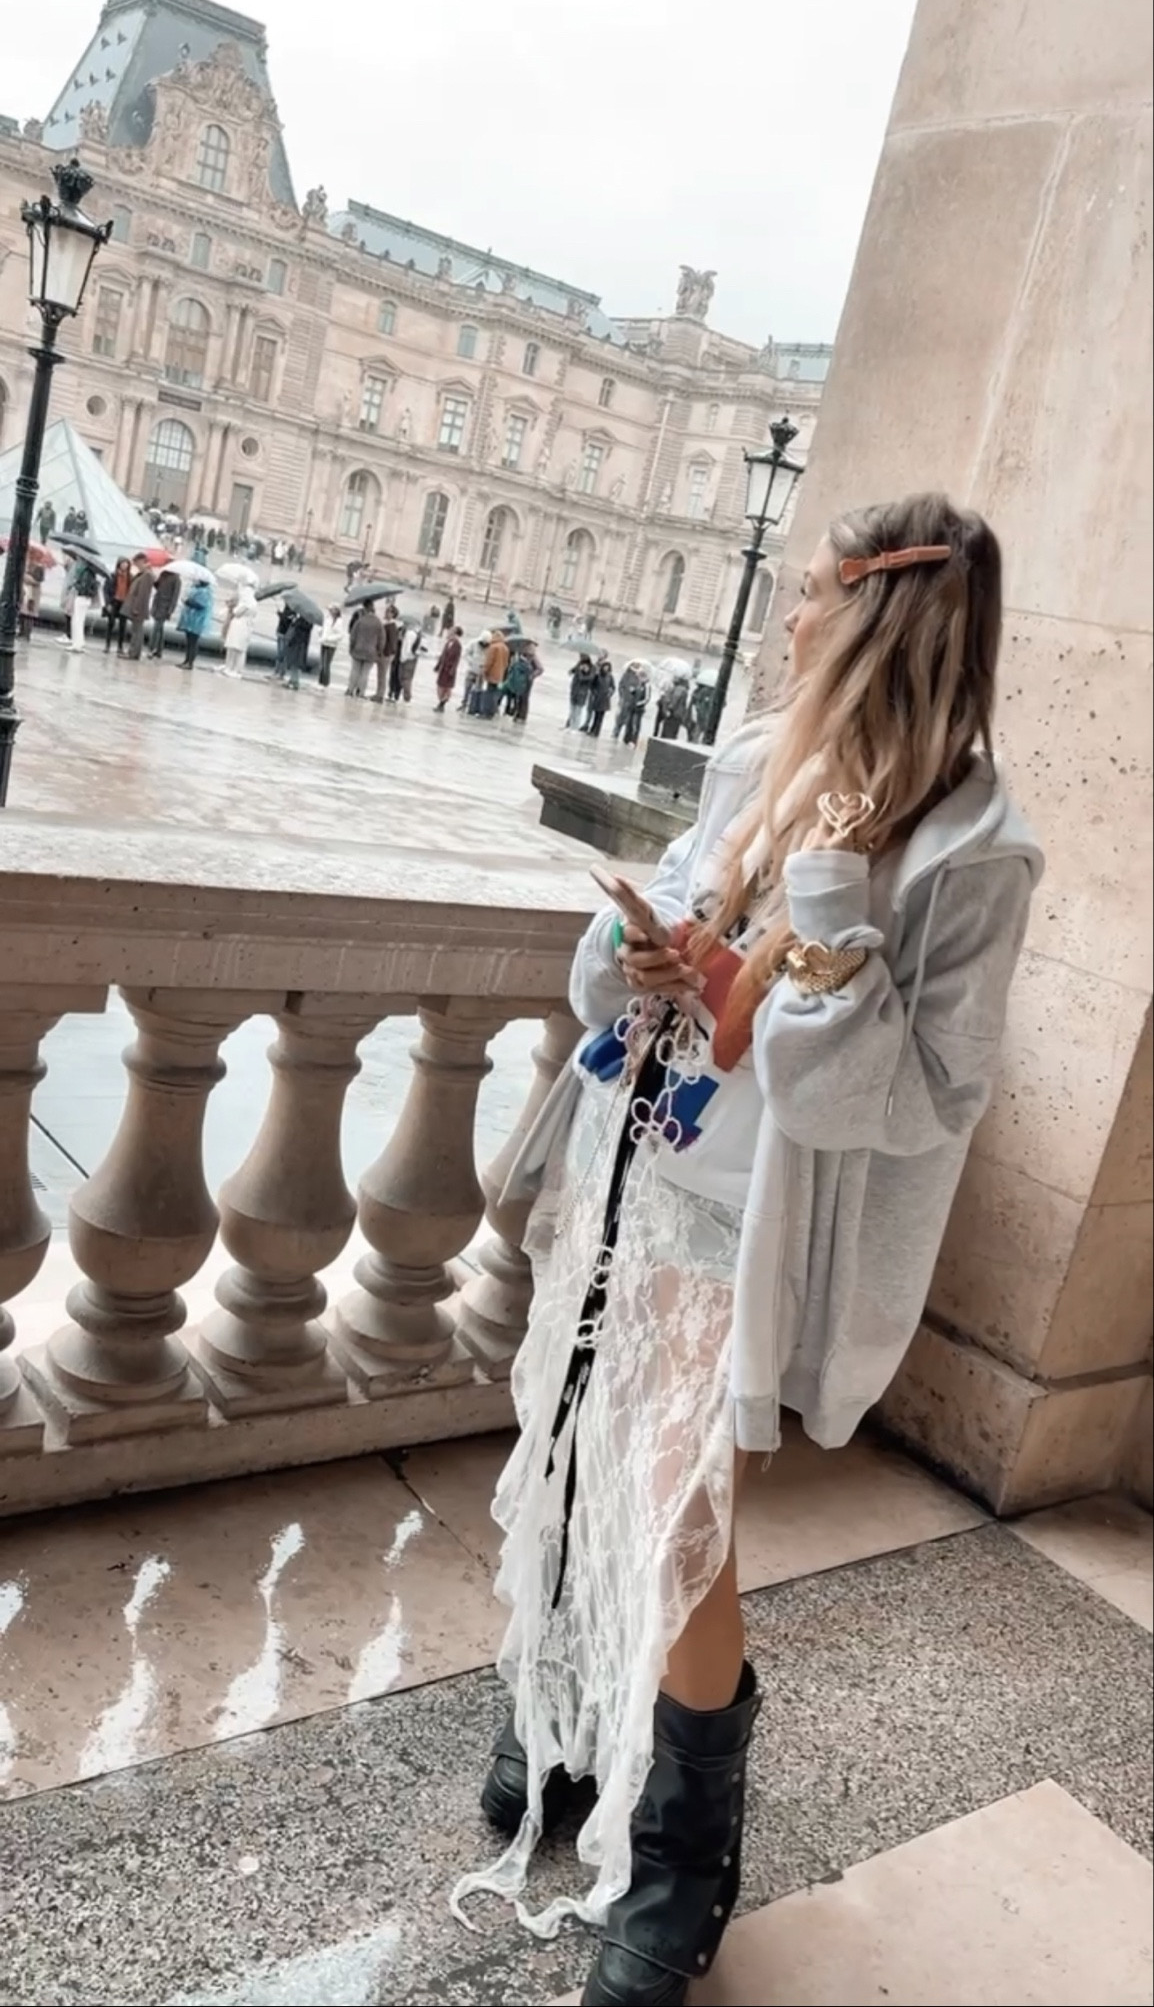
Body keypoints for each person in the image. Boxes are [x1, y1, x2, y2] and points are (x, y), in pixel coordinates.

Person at [454, 493, 1044, 2003]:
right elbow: (629, 988)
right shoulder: (741, 761)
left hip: (751, 1224)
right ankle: (569, 1715)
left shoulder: (974, 850)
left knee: (680, 1521)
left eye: (803, 595)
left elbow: (918, 1103)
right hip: (637, 1158)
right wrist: (636, 950)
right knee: (583, 1448)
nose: (784, 620)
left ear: (868, 613)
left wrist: (836, 920)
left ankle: (683, 1844)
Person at [346, 599, 382, 698]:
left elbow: (352, 634)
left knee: (355, 670)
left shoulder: (360, 621)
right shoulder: (378, 623)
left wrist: (351, 647)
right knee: (365, 673)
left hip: (358, 649)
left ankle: (350, 689)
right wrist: (379, 651)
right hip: (371, 652)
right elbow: (381, 639)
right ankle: (361, 692)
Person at [221, 584, 257, 678]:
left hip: (241, 626)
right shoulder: (250, 602)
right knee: (233, 647)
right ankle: (229, 667)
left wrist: (233, 607)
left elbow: (237, 612)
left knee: (238, 649)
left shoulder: (247, 603)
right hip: (240, 626)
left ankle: (236, 669)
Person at [64, 556, 99, 654]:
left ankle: (77, 644)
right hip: (86, 599)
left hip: (81, 597)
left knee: (76, 621)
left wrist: (76, 584)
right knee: (80, 620)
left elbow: (83, 587)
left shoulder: (85, 573)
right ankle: (80, 642)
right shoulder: (92, 573)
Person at [177, 577, 212, 669]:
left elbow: (201, 605)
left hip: (197, 621)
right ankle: (186, 660)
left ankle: (190, 662)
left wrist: (188, 602)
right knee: (189, 642)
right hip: (190, 620)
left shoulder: (205, 592)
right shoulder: (195, 588)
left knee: (193, 642)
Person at [123, 560, 155, 660]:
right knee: (135, 631)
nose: (137, 566)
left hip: (138, 608)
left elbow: (142, 594)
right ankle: (133, 652)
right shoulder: (143, 574)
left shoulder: (147, 576)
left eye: (138, 564)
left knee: (137, 631)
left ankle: (134, 653)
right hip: (137, 607)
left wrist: (137, 608)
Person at [614, 661, 651, 746]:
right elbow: (631, 691)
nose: (638, 678)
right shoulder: (639, 684)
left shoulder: (647, 685)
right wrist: (632, 691)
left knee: (635, 725)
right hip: (631, 707)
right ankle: (626, 740)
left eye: (639, 677)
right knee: (628, 724)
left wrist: (638, 704)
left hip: (639, 709)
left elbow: (647, 698)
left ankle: (633, 741)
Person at [476, 627, 510, 717]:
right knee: (495, 693)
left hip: (491, 674)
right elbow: (506, 663)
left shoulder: (493, 647)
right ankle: (492, 712)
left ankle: (485, 712)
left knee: (488, 693)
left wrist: (484, 671)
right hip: (500, 675)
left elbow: (489, 661)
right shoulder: (505, 648)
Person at [148, 565, 181, 659]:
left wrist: (170, 610)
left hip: (165, 607)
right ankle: (159, 650)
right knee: (160, 629)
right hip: (157, 604)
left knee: (156, 628)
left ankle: (151, 648)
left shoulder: (176, 579)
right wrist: (155, 580)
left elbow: (175, 596)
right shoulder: (163, 575)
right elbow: (157, 586)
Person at [103, 558, 132, 654]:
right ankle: (107, 645)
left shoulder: (130, 577)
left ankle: (120, 646)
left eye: (126, 564)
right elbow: (106, 590)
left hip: (124, 602)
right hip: (114, 601)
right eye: (123, 564)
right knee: (110, 624)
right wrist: (108, 603)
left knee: (123, 626)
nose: (124, 566)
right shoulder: (112, 576)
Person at [583, 652, 615, 737]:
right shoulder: (598, 676)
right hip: (597, 698)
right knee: (595, 715)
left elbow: (613, 687)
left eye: (607, 668)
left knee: (601, 717)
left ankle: (597, 732)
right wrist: (594, 693)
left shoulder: (610, 677)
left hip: (605, 699)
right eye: (605, 667)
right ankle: (592, 729)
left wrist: (610, 693)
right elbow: (592, 685)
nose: (606, 669)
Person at [375, 601, 401, 703]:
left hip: (386, 654)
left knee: (382, 675)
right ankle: (379, 693)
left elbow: (392, 643)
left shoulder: (392, 626)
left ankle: (380, 695)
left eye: (388, 612)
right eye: (386, 611)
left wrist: (386, 653)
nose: (386, 613)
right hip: (384, 653)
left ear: (393, 614)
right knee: (380, 674)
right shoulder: (388, 624)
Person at [434, 626, 463, 711]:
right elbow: (443, 655)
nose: (449, 632)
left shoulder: (458, 645)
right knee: (440, 686)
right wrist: (438, 665)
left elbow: (457, 659)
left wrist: (452, 670)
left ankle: (442, 704)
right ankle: (441, 702)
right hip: (443, 668)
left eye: (452, 631)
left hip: (450, 669)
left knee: (447, 687)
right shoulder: (447, 643)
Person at [655, 673, 691, 741]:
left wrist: (669, 709)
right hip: (677, 714)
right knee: (672, 733)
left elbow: (675, 699)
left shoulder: (679, 689)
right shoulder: (683, 689)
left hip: (674, 714)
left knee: (668, 732)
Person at [458, 632, 487, 713]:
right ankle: (464, 703)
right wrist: (471, 661)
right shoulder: (473, 643)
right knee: (467, 688)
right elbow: (466, 653)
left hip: (481, 673)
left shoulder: (489, 646)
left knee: (478, 690)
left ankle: (473, 705)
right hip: (471, 670)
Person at [284, 608, 312, 690]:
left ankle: (295, 681)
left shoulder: (306, 621)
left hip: (299, 644)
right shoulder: (300, 619)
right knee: (293, 663)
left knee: (296, 663)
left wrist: (296, 622)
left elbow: (303, 628)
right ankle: (292, 680)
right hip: (296, 642)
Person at [566, 652, 596, 730]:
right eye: (580, 656)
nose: (581, 658)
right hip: (574, 690)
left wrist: (582, 671)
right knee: (572, 710)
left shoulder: (592, 667)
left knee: (578, 711)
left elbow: (588, 678)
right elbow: (572, 671)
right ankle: (571, 726)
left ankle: (575, 728)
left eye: (583, 656)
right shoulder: (579, 664)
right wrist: (572, 670)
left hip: (582, 692)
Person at [317, 605, 344, 689]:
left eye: (333, 610)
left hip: (331, 645)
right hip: (324, 643)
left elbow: (340, 635)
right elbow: (324, 629)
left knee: (326, 664)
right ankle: (320, 682)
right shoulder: (327, 619)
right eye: (331, 610)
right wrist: (320, 632)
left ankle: (325, 683)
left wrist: (329, 639)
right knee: (321, 664)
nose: (331, 611)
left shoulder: (339, 622)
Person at [398, 625, 425, 702]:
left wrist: (404, 658)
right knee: (405, 678)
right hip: (411, 658)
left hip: (408, 658)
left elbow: (407, 647)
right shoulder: (417, 634)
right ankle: (406, 695)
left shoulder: (410, 634)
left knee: (405, 678)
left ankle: (407, 697)